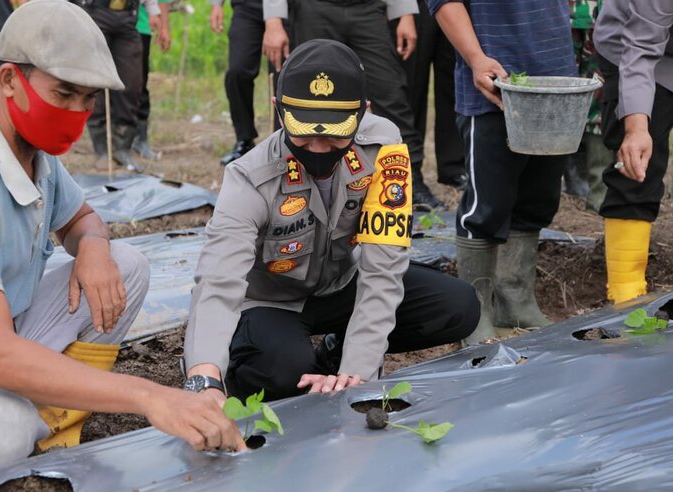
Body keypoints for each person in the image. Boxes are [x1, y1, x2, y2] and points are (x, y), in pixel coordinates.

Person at [0, 0, 243, 489]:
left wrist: (92, 248)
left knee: (124, 266)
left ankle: (46, 432)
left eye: (87, 99)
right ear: (8, 81)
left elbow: (83, 219)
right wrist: (151, 397)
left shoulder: (31, 153)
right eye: (63, 93)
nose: (76, 114)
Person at [183, 40, 479, 402]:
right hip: (272, 302)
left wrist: (356, 370)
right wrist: (204, 377)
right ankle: (248, 371)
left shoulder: (384, 147)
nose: (320, 146)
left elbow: (383, 265)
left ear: (363, 112)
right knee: (284, 372)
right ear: (278, 110)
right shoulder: (249, 178)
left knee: (457, 307)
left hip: (341, 286)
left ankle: (334, 356)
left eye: (336, 133)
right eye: (304, 131)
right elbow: (218, 280)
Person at [428, 0, 576, 343]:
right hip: (493, 79)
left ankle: (516, 300)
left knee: (538, 196)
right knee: (487, 203)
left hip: (554, 74)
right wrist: (476, 57)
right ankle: (475, 312)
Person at [262, 0, 446, 209]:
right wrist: (274, 20)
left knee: (391, 93)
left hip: (368, 9)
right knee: (309, 98)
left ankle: (411, 179)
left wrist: (404, 12)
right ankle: (293, 182)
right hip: (314, 8)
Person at [592, 0, 673, 304]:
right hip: (636, 46)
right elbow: (641, 48)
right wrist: (636, 129)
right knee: (639, 164)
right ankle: (626, 296)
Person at [71, 0, 161, 173]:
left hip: (128, 16)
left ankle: (123, 149)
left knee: (132, 84)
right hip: (96, 12)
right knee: (95, 83)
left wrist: (153, 10)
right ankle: (101, 151)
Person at [388, 3, 467, 189]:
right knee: (409, 88)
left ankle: (455, 167)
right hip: (414, 8)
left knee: (454, 82)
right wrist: (404, 14)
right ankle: (409, 169)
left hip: (458, 6)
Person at [210, 0, 283, 166]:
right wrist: (216, 4)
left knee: (283, 74)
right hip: (247, 7)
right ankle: (244, 139)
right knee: (237, 71)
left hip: (287, 8)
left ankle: (284, 143)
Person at [562, 0, 610, 210]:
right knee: (557, 95)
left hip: (606, 18)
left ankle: (598, 194)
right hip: (559, 16)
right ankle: (570, 181)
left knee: (599, 99)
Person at [132, 0, 171, 160]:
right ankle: (111, 142)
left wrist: (165, 27)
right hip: (105, 22)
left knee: (138, 84)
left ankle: (140, 139)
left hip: (141, 24)